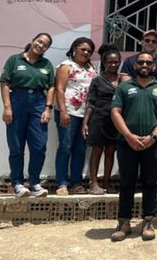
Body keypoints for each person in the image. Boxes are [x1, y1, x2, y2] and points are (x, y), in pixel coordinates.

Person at [110, 52, 157, 242]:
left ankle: (148, 221)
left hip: (152, 144)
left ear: (154, 66)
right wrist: (129, 136)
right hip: (126, 143)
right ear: (135, 65)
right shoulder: (124, 87)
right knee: (127, 183)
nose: (144, 64)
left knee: (150, 182)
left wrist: (153, 137)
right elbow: (115, 112)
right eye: (141, 62)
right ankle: (124, 222)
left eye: (148, 62)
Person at [0, 32, 55, 197]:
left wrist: (48, 108)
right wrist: (7, 107)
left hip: (39, 103)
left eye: (45, 45)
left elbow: (51, 87)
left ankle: (35, 183)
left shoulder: (46, 64)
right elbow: (4, 83)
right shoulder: (14, 60)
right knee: (16, 146)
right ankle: (17, 183)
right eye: (39, 41)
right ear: (32, 41)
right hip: (17, 101)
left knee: (39, 146)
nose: (40, 45)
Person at [54, 37, 97, 195]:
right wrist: (63, 111)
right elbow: (59, 89)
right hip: (68, 112)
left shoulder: (91, 68)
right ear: (74, 49)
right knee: (65, 147)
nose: (86, 52)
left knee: (80, 149)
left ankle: (76, 183)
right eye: (83, 49)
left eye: (89, 51)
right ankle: (62, 183)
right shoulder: (66, 66)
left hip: (85, 115)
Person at [82, 44, 121, 195]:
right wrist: (85, 122)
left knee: (111, 151)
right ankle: (94, 183)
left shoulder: (122, 79)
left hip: (115, 120)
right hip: (99, 118)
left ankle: (106, 183)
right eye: (110, 62)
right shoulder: (98, 80)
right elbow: (90, 102)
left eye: (116, 62)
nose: (113, 64)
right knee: (97, 150)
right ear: (104, 63)